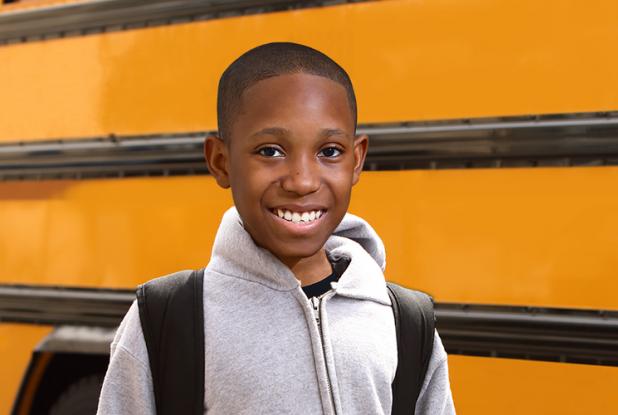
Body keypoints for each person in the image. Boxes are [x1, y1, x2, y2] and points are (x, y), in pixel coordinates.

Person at [97, 42, 455, 414]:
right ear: (220, 161)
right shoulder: (168, 319)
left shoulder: (405, 324)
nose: (302, 181)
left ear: (357, 159)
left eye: (330, 151)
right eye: (270, 151)